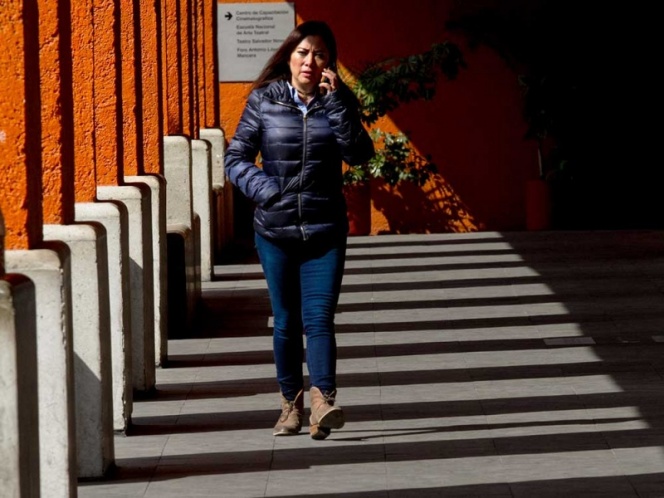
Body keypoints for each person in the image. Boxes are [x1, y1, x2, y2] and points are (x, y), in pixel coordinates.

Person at [225, 20, 374, 439]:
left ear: (330, 63)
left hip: (325, 229)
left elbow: (360, 154)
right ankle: (290, 405)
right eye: (304, 52)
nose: (311, 61)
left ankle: (323, 401)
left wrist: (337, 105)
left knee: (320, 317)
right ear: (289, 56)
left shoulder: (339, 102)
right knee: (287, 320)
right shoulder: (263, 101)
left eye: (320, 54)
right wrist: (266, 191)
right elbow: (236, 158)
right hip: (275, 230)